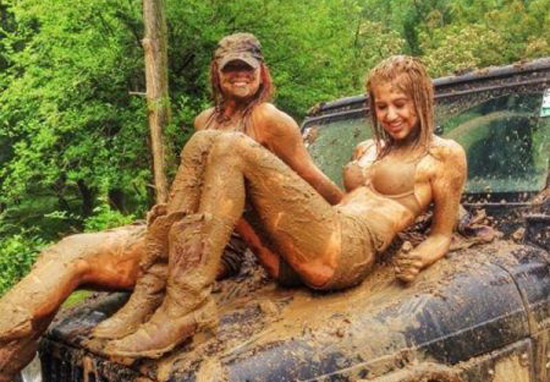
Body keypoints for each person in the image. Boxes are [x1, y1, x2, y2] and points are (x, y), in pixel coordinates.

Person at [0, 32, 342, 382]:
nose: (240, 75)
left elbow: (309, 179)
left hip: (218, 245)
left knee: (78, 259)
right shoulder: (204, 121)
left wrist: (347, 209)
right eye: (231, 68)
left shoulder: (269, 119)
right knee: (70, 251)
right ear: (216, 72)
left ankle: (147, 297)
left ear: (262, 72)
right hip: (184, 229)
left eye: (248, 67)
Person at [105, 54, 466, 359]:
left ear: (422, 100)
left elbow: (441, 235)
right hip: (304, 252)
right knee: (203, 142)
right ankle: (154, 289)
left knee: (231, 146)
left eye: (400, 104)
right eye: (381, 106)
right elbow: (344, 201)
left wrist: (419, 258)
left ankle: (185, 305)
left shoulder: (444, 154)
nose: (390, 115)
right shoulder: (367, 148)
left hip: (347, 253)